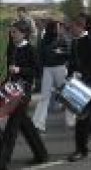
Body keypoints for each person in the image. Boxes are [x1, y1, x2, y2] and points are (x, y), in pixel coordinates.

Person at [0, 22, 48, 170]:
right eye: (11, 32)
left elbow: (37, 71)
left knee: (11, 128)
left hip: (23, 91)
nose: (12, 35)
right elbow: (9, 70)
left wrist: (19, 70)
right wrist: (4, 82)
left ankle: (2, 162)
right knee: (25, 125)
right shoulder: (12, 47)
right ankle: (41, 154)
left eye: (14, 32)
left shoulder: (30, 49)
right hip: (11, 89)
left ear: (23, 33)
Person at [67, 18, 91, 162]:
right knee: (84, 115)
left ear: (80, 27)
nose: (70, 30)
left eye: (72, 27)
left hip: (89, 83)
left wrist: (84, 75)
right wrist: (71, 75)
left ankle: (81, 150)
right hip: (77, 83)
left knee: (81, 117)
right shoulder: (74, 42)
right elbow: (72, 62)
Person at [32, 20, 72, 132]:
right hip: (47, 69)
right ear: (52, 28)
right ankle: (38, 123)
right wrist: (39, 73)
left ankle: (71, 120)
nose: (59, 30)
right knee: (44, 96)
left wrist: (61, 52)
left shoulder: (63, 39)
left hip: (60, 67)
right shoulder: (44, 40)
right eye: (57, 28)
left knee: (66, 95)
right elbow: (39, 56)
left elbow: (69, 53)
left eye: (59, 27)